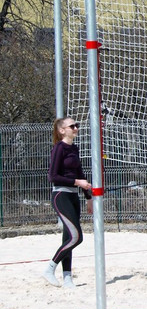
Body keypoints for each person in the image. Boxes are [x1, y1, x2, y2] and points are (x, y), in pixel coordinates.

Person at [43, 117, 93, 289]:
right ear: (62, 130)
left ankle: (67, 278)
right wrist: (77, 183)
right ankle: (50, 268)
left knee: (68, 238)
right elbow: (53, 177)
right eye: (72, 126)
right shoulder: (59, 148)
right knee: (76, 237)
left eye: (76, 125)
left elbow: (80, 173)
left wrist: (88, 197)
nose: (76, 128)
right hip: (61, 196)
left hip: (73, 197)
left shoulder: (74, 148)